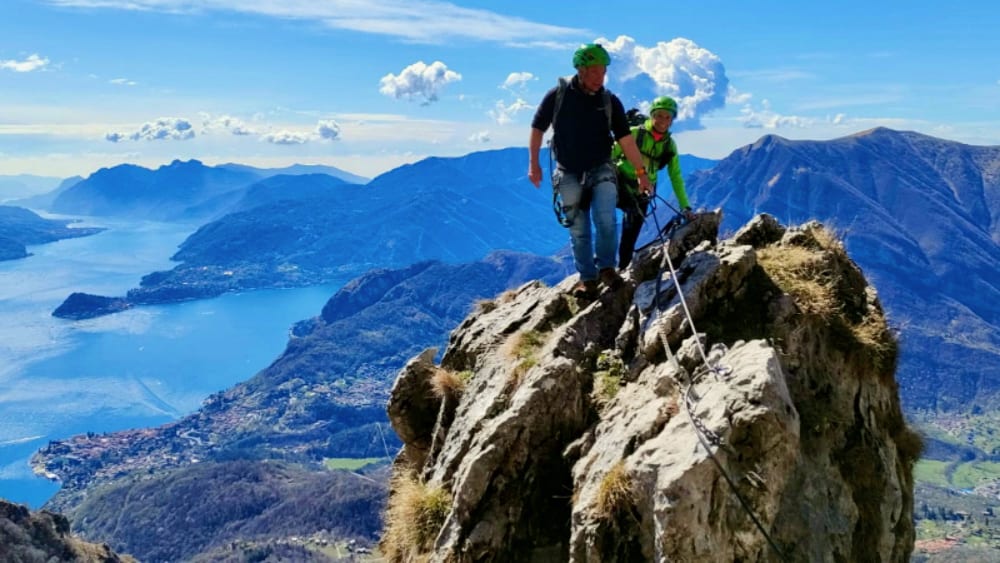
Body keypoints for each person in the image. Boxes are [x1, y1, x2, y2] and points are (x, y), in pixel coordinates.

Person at [528, 43, 651, 298]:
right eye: (595, 71)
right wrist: (534, 164)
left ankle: (606, 268)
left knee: (605, 218)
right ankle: (587, 278)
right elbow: (538, 128)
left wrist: (641, 173)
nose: (600, 77)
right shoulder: (557, 96)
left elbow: (626, 140)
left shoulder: (609, 101)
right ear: (581, 70)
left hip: (601, 168)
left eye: (603, 72)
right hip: (567, 170)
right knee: (578, 227)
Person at [612, 96, 694, 269]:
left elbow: (676, 177)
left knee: (630, 234)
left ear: (672, 120)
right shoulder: (634, 133)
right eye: (659, 115)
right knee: (604, 221)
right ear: (652, 115)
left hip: (643, 192)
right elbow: (610, 155)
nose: (662, 121)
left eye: (667, 117)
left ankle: (623, 269)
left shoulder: (669, 146)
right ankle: (604, 266)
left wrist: (685, 207)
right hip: (620, 185)